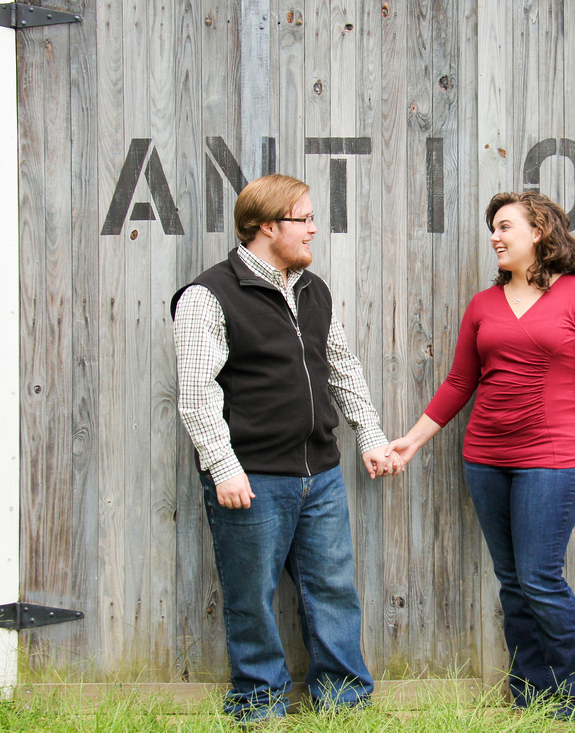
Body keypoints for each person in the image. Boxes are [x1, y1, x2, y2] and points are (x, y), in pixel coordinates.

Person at [171, 174, 398, 724]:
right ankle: (260, 702)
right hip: (252, 478)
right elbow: (197, 394)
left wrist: (368, 434)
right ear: (268, 226)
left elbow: (340, 366)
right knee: (252, 596)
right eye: (305, 219)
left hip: (319, 472)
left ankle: (343, 699)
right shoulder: (208, 294)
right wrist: (223, 468)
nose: (315, 230)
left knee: (333, 589)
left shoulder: (312, 289)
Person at [386, 191, 575, 717]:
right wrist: (412, 440)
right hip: (486, 456)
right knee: (512, 582)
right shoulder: (483, 304)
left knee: (540, 577)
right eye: (493, 227)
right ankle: (532, 695)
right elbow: (460, 381)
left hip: (553, 456)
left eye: (505, 226)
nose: (495, 235)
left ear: (539, 232)